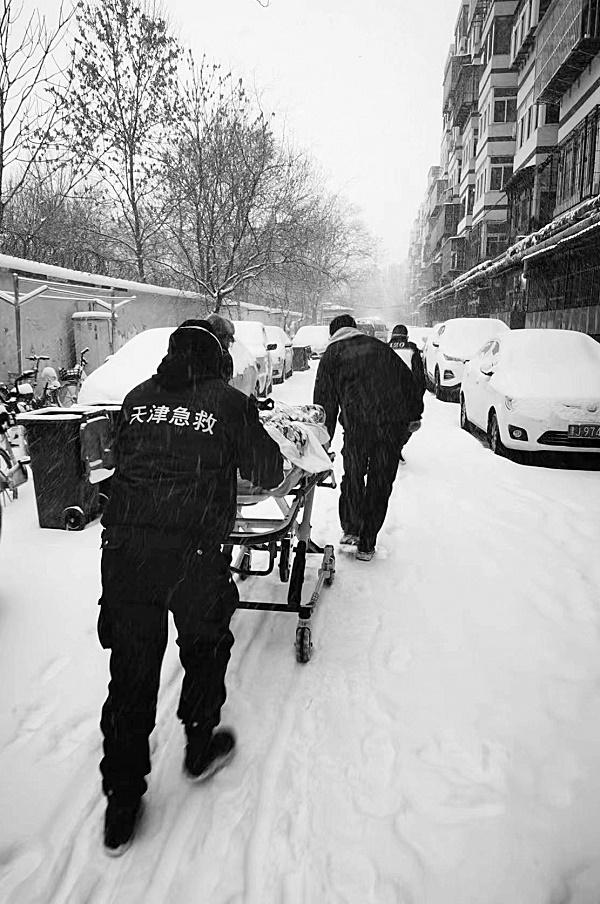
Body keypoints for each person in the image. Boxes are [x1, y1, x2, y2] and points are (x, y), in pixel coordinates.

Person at [98, 320, 284, 855]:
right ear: (219, 359)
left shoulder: (138, 399)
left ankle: (122, 804)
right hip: (194, 555)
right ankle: (199, 746)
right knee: (204, 650)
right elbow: (268, 471)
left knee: (131, 675)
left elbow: (120, 461)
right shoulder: (228, 403)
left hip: (127, 552)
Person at [313, 314, 423, 562]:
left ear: (333, 333)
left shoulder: (332, 354)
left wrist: (322, 439)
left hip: (358, 426)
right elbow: (408, 382)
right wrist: (415, 415)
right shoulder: (379, 347)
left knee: (353, 474)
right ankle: (367, 542)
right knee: (380, 480)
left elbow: (324, 402)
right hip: (391, 426)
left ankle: (351, 528)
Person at [388, 324, 426, 401]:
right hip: (406, 393)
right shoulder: (412, 349)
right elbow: (419, 376)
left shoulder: (384, 348)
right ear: (406, 336)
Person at [206, 313, 235, 383]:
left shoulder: (191, 350)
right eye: (229, 340)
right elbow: (223, 388)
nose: (229, 344)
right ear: (224, 337)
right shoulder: (224, 357)